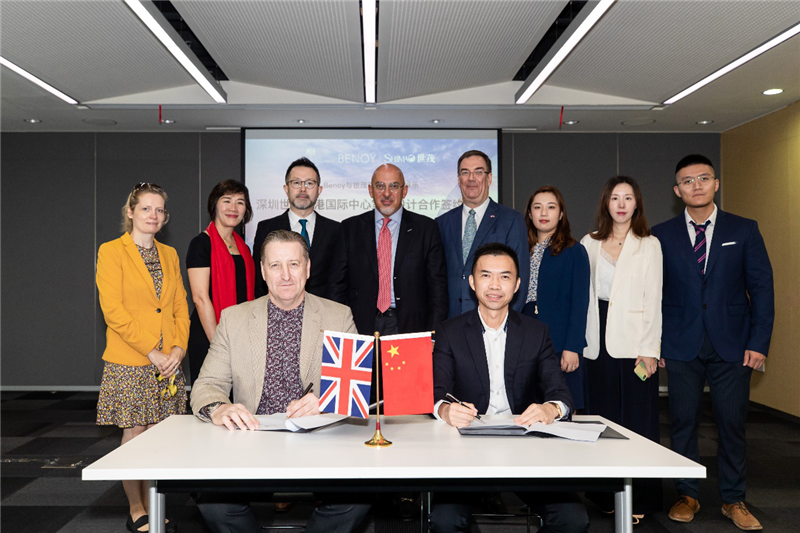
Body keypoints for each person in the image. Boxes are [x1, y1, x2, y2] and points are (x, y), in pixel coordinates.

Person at [190, 229, 370, 533]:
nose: (285, 275)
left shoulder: (338, 316)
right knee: (212, 501)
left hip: (319, 438)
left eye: (294, 264)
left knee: (358, 498)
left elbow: (356, 388)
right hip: (251, 438)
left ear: (308, 268)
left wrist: (326, 401)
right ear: (263, 271)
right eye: (275, 265)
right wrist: (220, 408)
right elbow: (207, 384)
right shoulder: (233, 319)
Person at [430, 242, 589, 533]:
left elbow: (560, 393)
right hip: (466, 446)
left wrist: (551, 409)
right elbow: (437, 392)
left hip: (525, 447)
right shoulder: (449, 332)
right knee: (445, 520)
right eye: (486, 275)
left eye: (504, 276)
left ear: (517, 285)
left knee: (572, 518)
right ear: (472, 282)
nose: (494, 285)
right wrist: (446, 410)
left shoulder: (536, 332)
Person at [652, 154, 774, 531]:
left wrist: (759, 342)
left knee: (731, 425)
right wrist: (655, 344)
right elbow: (652, 293)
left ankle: (733, 499)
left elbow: (762, 290)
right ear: (677, 191)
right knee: (683, 423)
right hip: (680, 345)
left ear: (716, 183)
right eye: (687, 181)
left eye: (704, 178)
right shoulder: (661, 234)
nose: (697, 186)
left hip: (733, 346)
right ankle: (687, 494)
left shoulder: (745, 229)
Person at [96, 182, 189, 533]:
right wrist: (152, 351)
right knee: (135, 434)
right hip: (132, 360)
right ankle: (136, 508)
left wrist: (178, 349)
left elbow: (179, 306)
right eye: (146, 208)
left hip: (168, 364)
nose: (154, 215)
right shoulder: (111, 251)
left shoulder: (170, 254)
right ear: (130, 212)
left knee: (160, 436)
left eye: (160, 210)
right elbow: (114, 312)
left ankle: (155, 504)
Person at [580, 176, 663, 521]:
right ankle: (604, 495)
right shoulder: (589, 242)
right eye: (615, 198)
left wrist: (650, 349)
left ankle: (638, 499)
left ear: (636, 203)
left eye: (628, 198)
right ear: (606, 203)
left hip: (634, 345)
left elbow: (653, 299)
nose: (622, 204)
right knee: (600, 421)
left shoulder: (649, 244)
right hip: (595, 341)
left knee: (637, 422)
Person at [328, 163, 448, 338]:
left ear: (404, 191)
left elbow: (438, 289)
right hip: (358, 326)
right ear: (370, 190)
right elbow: (336, 286)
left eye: (394, 186)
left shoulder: (426, 229)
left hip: (410, 327)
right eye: (379, 186)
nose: (386, 193)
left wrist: (433, 335)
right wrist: (337, 331)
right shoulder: (349, 228)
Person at [437, 150, 529, 318]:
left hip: (493, 321)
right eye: (465, 172)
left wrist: (507, 325)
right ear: (459, 180)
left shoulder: (511, 220)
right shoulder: (441, 223)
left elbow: (519, 277)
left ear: (489, 178)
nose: (471, 178)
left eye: (478, 172)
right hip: (450, 322)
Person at [522, 186, 590, 410]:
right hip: (525, 340)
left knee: (561, 408)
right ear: (529, 213)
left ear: (561, 214)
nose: (544, 213)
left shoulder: (574, 251)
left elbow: (580, 303)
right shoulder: (521, 249)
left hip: (560, 342)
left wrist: (573, 347)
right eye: (537, 207)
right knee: (527, 409)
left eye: (551, 207)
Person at [186, 180, 255, 385]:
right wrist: (219, 345)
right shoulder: (201, 244)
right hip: (209, 333)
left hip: (240, 334)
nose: (233, 208)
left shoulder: (244, 248)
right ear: (215, 204)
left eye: (240, 202)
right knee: (212, 396)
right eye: (227, 201)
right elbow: (200, 298)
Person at [253, 157, 341, 299]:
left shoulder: (336, 230)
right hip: (277, 307)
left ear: (319, 190)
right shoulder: (266, 228)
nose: (303, 189)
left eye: (309, 183)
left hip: (323, 309)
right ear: (286, 189)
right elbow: (259, 280)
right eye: (296, 183)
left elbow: (339, 280)